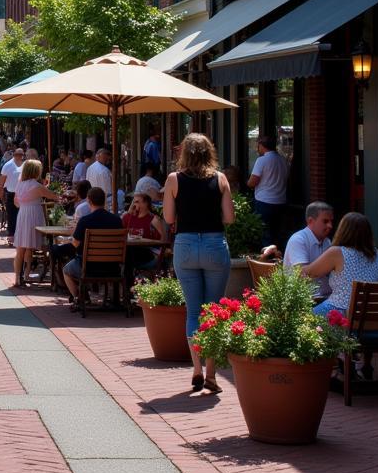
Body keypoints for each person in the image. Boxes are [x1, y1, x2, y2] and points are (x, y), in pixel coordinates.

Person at [162, 133, 235, 395]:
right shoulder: (220, 179)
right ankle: (212, 374)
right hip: (215, 244)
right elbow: (229, 217)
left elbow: (169, 218)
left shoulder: (173, 179)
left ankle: (196, 370)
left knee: (193, 311)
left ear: (184, 153)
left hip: (186, 245)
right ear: (209, 153)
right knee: (213, 311)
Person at [302, 212, 378, 316]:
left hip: (340, 314)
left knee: (302, 321)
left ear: (343, 231)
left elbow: (309, 273)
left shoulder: (337, 253)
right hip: (371, 317)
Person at [62, 186, 125, 303]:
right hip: (113, 267)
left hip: (88, 267)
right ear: (104, 201)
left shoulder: (85, 221)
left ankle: (79, 298)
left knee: (66, 270)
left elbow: (75, 244)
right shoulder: (116, 220)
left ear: (89, 201)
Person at [260, 201, 335, 298]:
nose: (330, 226)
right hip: (305, 300)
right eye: (325, 221)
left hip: (326, 296)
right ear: (310, 221)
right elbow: (302, 274)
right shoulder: (298, 240)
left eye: (331, 221)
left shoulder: (327, 242)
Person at [12, 159, 53, 288]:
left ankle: (18, 277)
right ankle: (27, 274)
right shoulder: (37, 185)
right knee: (29, 247)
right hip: (34, 214)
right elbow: (54, 196)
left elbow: (16, 203)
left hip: (23, 214)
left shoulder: (19, 184)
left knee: (21, 249)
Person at [247, 135, 289, 246]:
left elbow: (252, 182)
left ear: (261, 145)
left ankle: (266, 260)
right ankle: (278, 258)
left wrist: (247, 183)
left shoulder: (262, 160)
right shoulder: (282, 160)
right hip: (281, 201)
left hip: (264, 202)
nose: (257, 148)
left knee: (265, 233)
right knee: (277, 233)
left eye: (258, 145)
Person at [123, 191, 168, 270]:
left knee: (129, 254)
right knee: (128, 253)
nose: (134, 204)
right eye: (133, 202)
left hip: (148, 253)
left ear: (145, 203)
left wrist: (146, 240)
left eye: (137, 202)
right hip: (132, 252)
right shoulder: (129, 217)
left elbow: (164, 241)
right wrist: (128, 212)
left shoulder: (154, 219)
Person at [0, 146, 25, 248]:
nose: (20, 157)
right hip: (11, 194)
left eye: (21, 155)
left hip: (23, 194)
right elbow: (1, 181)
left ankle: (20, 237)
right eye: (18, 155)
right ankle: (11, 237)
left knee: (21, 216)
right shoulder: (8, 165)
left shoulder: (25, 165)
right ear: (14, 155)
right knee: (12, 216)